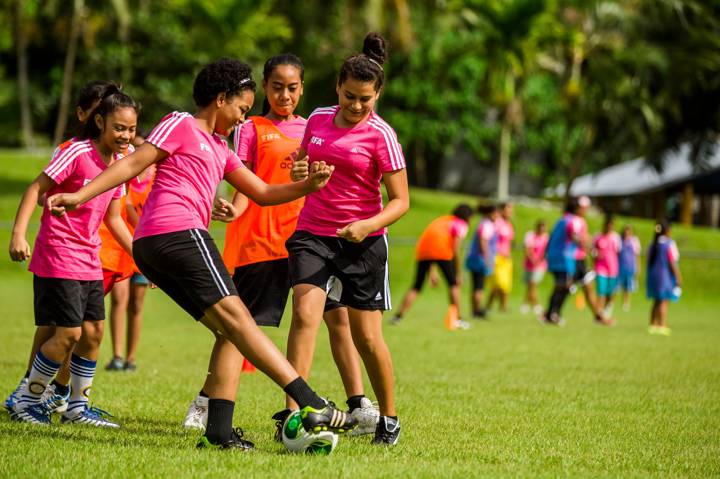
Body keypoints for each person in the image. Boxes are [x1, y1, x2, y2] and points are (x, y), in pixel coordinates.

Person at [47, 58, 357, 450]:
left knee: (228, 329)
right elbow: (132, 164)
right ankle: (312, 404)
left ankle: (218, 435)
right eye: (242, 108)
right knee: (241, 319)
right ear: (221, 97)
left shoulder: (220, 147)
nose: (244, 118)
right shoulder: (181, 123)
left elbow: (262, 193)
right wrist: (78, 195)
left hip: (157, 246)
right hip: (176, 232)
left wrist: (308, 186)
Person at [182, 54, 379, 437]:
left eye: (292, 87)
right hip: (263, 242)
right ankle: (206, 403)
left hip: (315, 241)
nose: (284, 95)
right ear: (265, 88)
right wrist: (235, 210)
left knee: (337, 320)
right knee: (240, 328)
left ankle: (358, 406)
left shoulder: (318, 126)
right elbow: (244, 177)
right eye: (276, 86)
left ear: (303, 88)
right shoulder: (250, 126)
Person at [286, 32, 409, 446]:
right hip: (313, 233)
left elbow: (401, 201)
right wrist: (300, 174)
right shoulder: (318, 119)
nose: (356, 106)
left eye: (365, 99)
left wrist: (368, 225)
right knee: (305, 315)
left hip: (363, 242)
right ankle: (295, 412)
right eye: (350, 96)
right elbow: (302, 165)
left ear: (377, 95)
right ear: (338, 87)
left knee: (367, 338)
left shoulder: (382, 135)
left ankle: (388, 417)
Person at [8, 87, 138, 427]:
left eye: (131, 129)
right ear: (100, 122)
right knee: (68, 334)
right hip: (58, 252)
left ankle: (77, 408)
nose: (126, 136)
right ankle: (27, 399)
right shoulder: (77, 152)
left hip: (89, 257)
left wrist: (143, 259)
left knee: (94, 332)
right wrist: (18, 235)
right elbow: (35, 189)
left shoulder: (121, 164)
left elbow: (113, 219)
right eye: (119, 128)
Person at [105, 148, 155, 372]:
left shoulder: (157, 177)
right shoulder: (125, 175)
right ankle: (116, 355)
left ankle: (130, 358)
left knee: (136, 304)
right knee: (119, 299)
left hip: (144, 247)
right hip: (121, 245)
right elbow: (123, 207)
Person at [391, 204, 473, 328]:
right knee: (454, 284)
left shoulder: (442, 220)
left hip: (423, 252)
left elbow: (432, 244)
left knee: (416, 286)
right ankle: (458, 318)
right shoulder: (460, 224)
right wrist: (458, 272)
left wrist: (432, 272)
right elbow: (455, 249)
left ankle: (397, 317)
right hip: (443, 253)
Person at [541, 196, 612, 326]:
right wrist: (593, 250)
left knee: (583, 285)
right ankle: (551, 313)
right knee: (564, 286)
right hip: (569, 258)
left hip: (575, 258)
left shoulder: (565, 219)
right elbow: (576, 237)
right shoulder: (574, 220)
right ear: (577, 207)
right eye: (584, 207)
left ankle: (597, 315)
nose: (586, 209)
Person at [646, 219, 682, 336]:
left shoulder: (653, 243)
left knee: (656, 300)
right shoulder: (669, 244)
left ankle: (652, 324)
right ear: (667, 230)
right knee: (664, 300)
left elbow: (648, 259)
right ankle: (662, 324)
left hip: (653, 275)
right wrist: (678, 276)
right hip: (665, 276)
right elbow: (672, 262)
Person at [465, 204, 498, 319]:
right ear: (491, 214)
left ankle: (474, 310)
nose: (497, 216)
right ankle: (477, 310)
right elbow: (483, 241)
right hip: (480, 260)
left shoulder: (482, 223)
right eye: (496, 214)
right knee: (479, 287)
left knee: (475, 286)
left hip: (474, 258)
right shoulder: (487, 225)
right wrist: (487, 258)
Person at [486, 202, 514, 313]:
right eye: (508, 209)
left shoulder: (509, 224)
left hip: (506, 258)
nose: (510, 212)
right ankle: (492, 305)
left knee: (506, 285)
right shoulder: (497, 223)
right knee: (499, 283)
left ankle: (502, 307)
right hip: (497, 257)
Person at [592, 216, 621, 317]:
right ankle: (599, 312)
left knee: (610, 291)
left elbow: (618, 253)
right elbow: (592, 251)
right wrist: (596, 255)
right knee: (601, 290)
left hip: (612, 268)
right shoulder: (598, 236)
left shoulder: (615, 238)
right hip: (600, 268)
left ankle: (608, 308)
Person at [520, 219, 548, 315]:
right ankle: (525, 303)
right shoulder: (530, 235)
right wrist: (533, 259)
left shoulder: (546, 237)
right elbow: (528, 249)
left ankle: (535, 305)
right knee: (530, 285)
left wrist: (539, 260)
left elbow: (546, 251)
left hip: (540, 265)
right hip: (529, 264)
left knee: (533, 284)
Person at [618, 225, 641, 311]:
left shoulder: (634, 241)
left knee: (628, 287)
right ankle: (612, 303)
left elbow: (637, 255)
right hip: (620, 267)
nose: (627, 233)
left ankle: (626, 303)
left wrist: (638, 267)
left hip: (630, 267)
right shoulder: (620, 240)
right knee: (618, 286)